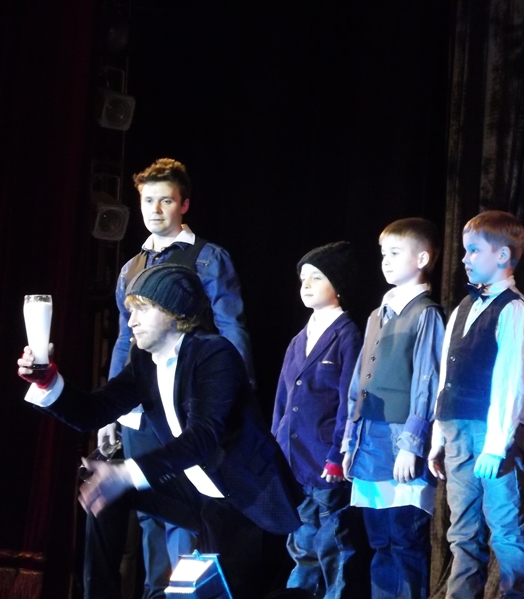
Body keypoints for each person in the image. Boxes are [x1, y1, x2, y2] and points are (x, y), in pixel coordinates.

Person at [17, 264, 300, 599]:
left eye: (143, 309)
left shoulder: (214, 354)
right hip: (199, 495)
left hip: (247, 501)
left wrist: (127, 473)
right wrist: (48, 382)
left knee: (236, 591)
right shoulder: (144, 359)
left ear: (175, 313)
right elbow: (94, 410)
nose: (131, 321)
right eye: (131, 310)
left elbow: (203, 438)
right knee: (107, 491)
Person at [94, 157, 256, 598]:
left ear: (184, 204)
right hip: (143, 403)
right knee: (148, 507)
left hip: (186, 400)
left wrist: (236, 393)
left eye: (165, 200)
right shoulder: (132, 266)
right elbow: (125, 340)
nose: (155, 209)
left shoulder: (208, 257)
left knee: (181, 510)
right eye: (148, 200)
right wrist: (110, 412)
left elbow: (231, 326)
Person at [427, 210, 524, 599]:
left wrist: (496, 445)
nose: (465, 258)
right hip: (456, 428)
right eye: (465, 250)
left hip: (492, 433)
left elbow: (510, 381)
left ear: (503, 255)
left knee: (504, 526)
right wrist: (438, 437)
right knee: (462, 529)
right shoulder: (463, 307)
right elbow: (446, 375)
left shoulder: (513, 308)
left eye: (474, 250)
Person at [342, 218, 445, 599]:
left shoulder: (426, 313)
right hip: (370, 441)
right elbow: (359, 383)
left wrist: (411, 444)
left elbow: (427, 382)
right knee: (380, 542)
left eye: (395, 253)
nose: (386, 261)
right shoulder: (377, 314)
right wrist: (350, 441)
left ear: (422, 258)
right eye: (383, 254)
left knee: (405, 541)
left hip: (400, 441)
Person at [271, 241, 364, 599]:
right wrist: (274, 447)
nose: (306, 285)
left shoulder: (347, 335)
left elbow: (349, 402)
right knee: (301, 543)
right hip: (294, 462)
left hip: (325, 461)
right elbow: (282, 400)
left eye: (316, 277)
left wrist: (338, 454)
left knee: (333, 542)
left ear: (337, 284)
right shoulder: (299, 339)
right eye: (303, 279)